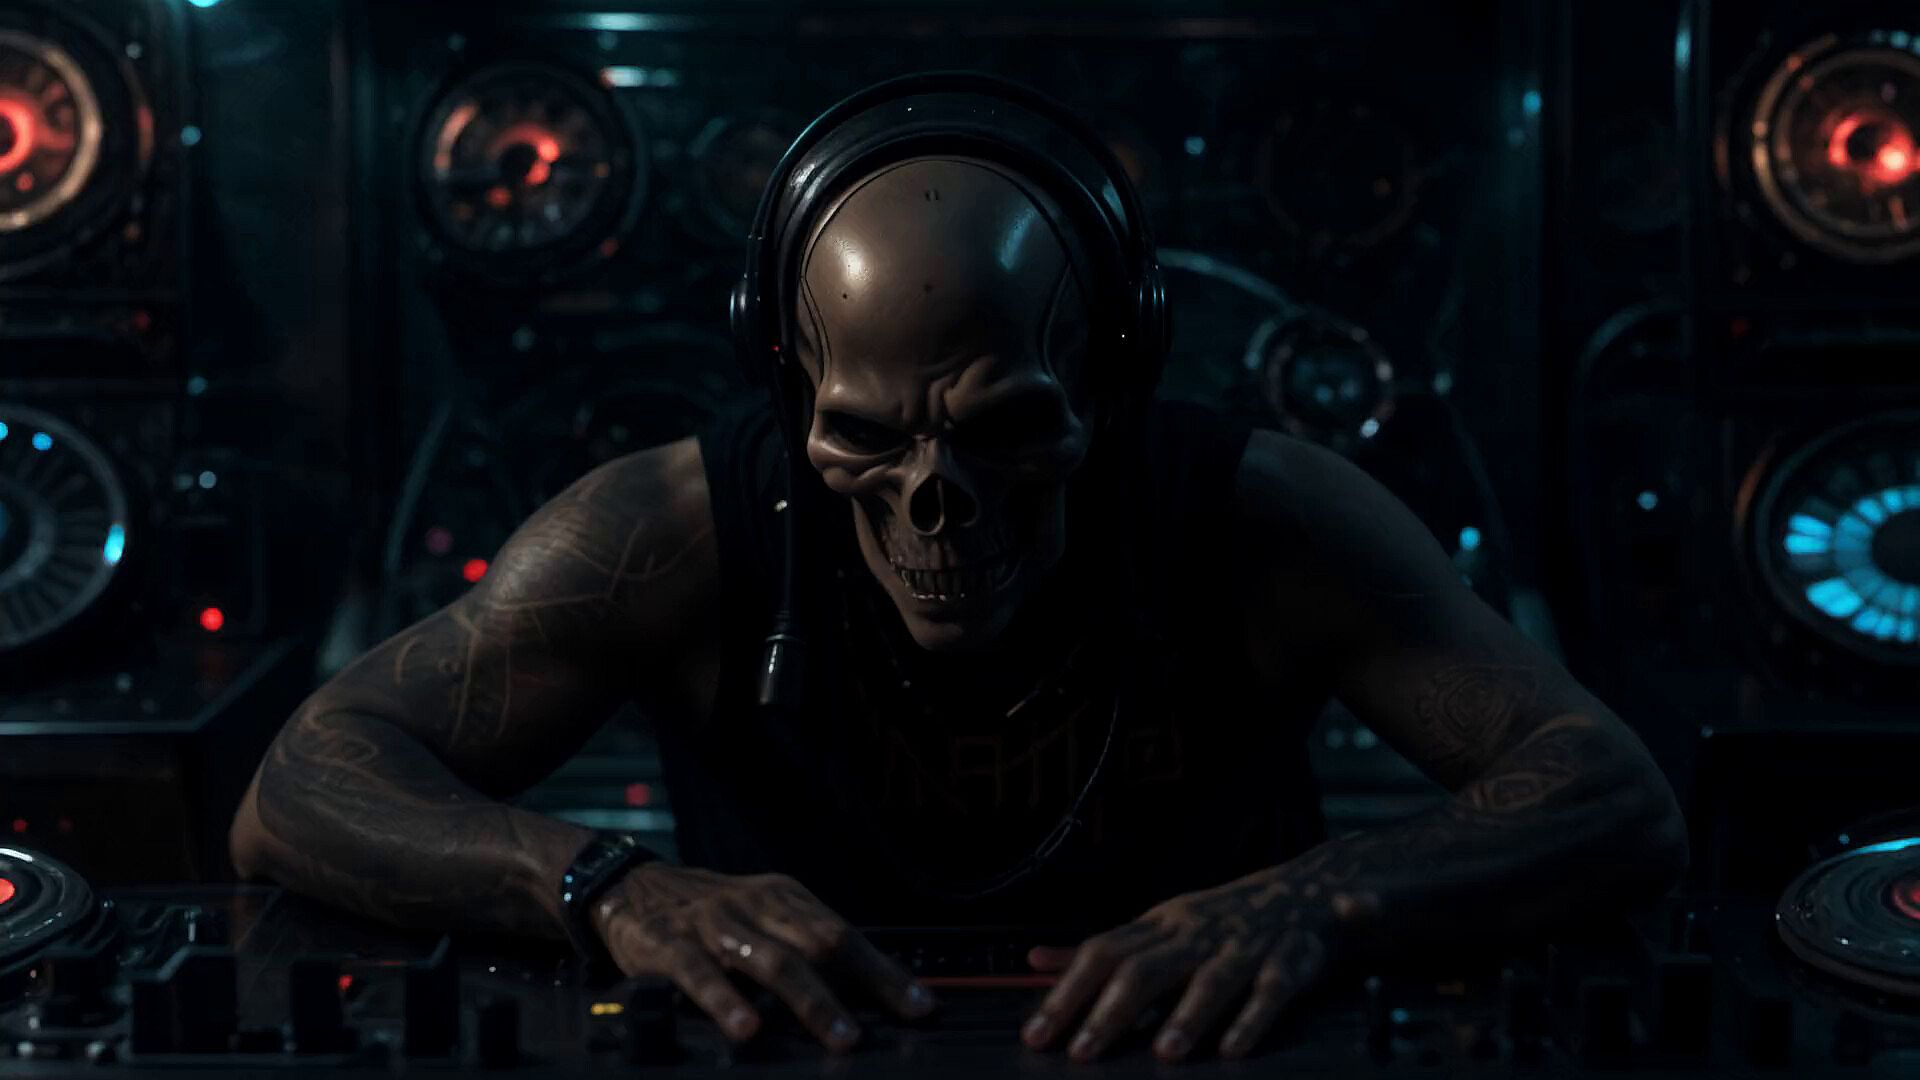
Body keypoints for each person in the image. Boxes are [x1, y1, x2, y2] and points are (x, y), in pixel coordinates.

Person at [230, 74, 1685, 1064]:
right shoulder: (667, 532)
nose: (936, 503)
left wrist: (1321, 901)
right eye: (867, 439)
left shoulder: (1270, 521)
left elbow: (1613, 792)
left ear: (1109, 382)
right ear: (793, 393)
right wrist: (606, 886)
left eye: (1004, 432)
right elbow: (300, 786)